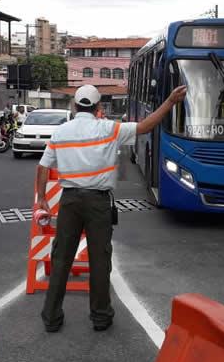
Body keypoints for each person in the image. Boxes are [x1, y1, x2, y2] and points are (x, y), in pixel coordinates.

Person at [36, 84, 187, 332]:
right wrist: (170, 101)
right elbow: (145, 126)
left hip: (69, 202)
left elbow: (42, 166)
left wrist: (42, 197)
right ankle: (101, 317)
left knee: (61, 258)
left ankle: (51, 317)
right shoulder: (109, 128)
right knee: (99, 260)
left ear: (75, 107)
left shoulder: (60, 132)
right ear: (98, 108)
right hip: (98, 203)